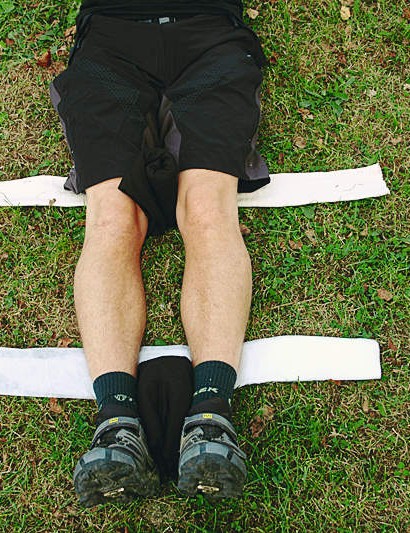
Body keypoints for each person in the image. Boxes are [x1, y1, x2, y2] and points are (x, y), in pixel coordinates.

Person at [49, 0, 270, 507]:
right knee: (112, 218)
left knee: (209, 209)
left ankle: (212, 416)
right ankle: (116, 423)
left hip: (211, 35)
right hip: (110, 40)